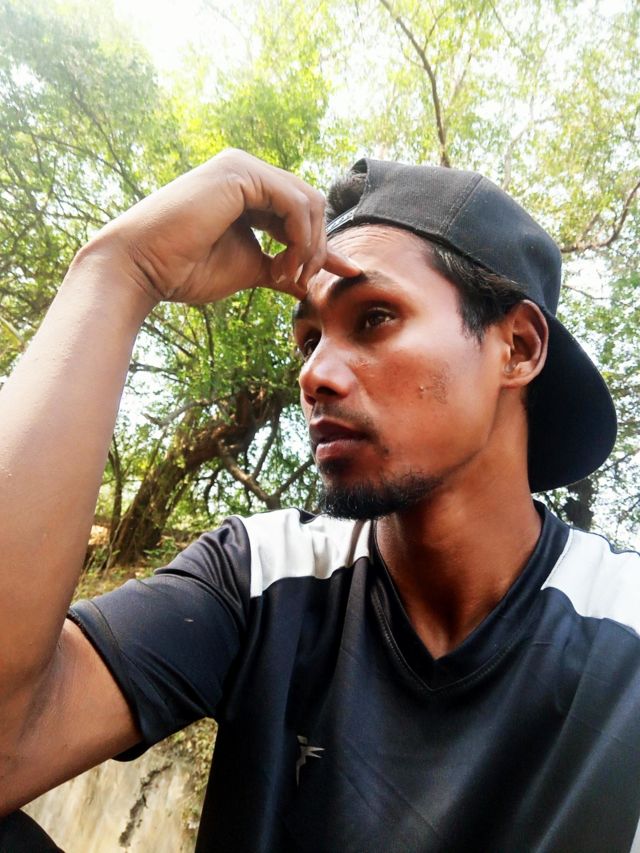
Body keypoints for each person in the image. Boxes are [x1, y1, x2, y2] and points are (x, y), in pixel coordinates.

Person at [0, 148, 638, 853]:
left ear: (516, 346)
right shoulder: (259, 574)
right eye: (308, 340)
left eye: (374, 318)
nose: (314, 375)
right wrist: (120, 270)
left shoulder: (625, 627)